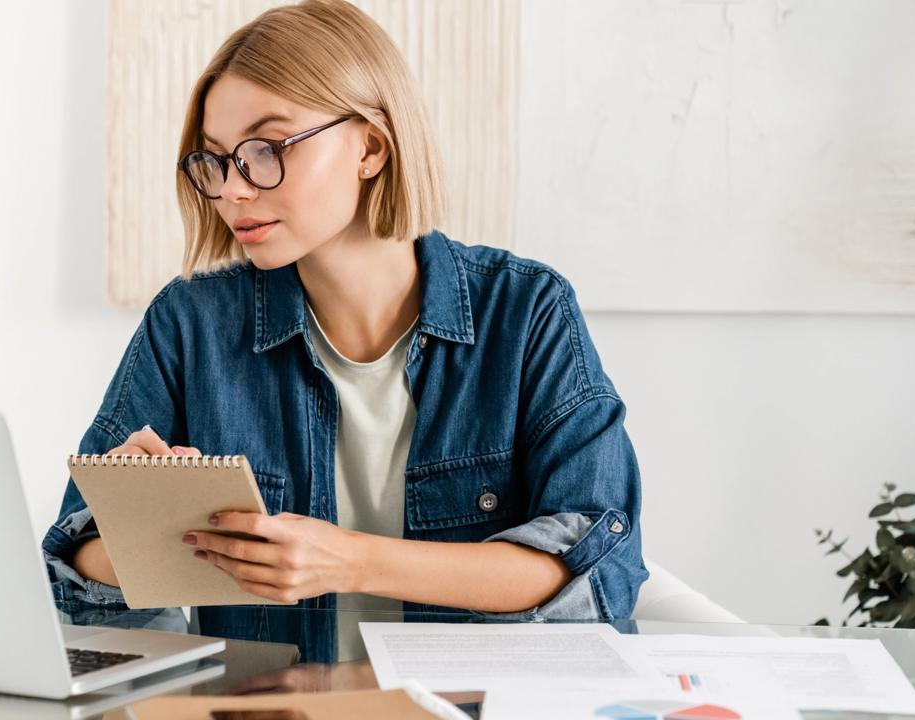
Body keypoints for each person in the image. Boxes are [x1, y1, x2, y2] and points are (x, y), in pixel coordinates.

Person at [41, 0, 647, 664]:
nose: (234, 190)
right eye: (216, 162)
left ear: (371, 147)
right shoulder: (190, 324)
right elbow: (74, 567)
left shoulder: (525, 311)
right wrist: (153, 525)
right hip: (266, 712)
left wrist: (348, 562)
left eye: (266, 150)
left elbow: (594, 569)